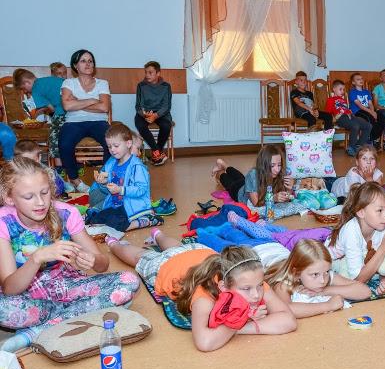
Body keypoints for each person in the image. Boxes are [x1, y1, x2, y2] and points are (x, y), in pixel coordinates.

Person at [0, 157, 139, 351]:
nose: (40, 202)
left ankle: (35, 332)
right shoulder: (4, 221)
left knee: (129, 281)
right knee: (3, 309)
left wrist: (92, 260)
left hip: (66, 286)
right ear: (9, 198)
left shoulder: (66, 213)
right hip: (26, 293)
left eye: (44, 192)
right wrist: (37, 258)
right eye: (28, 197)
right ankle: (85, 310)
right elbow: (9, 288)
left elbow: (103, 264)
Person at [108, 233, 297, 352]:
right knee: (140, 256)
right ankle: (113, 243)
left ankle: (158, 234)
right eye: (246, 289)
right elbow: (205, 343)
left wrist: (242, 326)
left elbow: (288, 320)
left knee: (177, 247)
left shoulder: (249, 278)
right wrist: (239, 320)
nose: (256, 295)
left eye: (259, 286)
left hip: (200, 251)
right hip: (165, 266)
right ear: (223, 287)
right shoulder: (204, 297)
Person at [265, 239, 371, 318]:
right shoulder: (283, 283)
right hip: (265, 247)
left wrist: (324, 291)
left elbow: (365, 291)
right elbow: (286, 310)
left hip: (282, 252)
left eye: (327, 272)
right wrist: (328, 305)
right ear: (296, 273)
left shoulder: (322, 272)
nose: (323, 280)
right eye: (315, 274)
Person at [325, 182, 385, 294]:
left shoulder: (383, 225)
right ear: (361, 212)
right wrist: (384, 247)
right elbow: (358, 280)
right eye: (379, 210)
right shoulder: (351, 231)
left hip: (362, 258)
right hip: (333, 261)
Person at [85, 124, 159, 232]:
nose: (112, 150)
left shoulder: (137, 166)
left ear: (128, 144)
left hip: (132, 206)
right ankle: (123, 221)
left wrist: (121, 189)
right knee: (95, 220)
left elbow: (141, 189)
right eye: (109, 146)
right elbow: (107, 191)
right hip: (115, 205)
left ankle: (146, 220)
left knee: (116, 223)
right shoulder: (112, 165)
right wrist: (104, 183)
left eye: (116, 146)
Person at [60, 49, 111, 192]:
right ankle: (75, 181)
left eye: (90, 61)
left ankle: (104, 178)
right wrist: (92, 100)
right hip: (73, 122)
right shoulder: (68, 83)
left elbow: (104, 107)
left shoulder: (102, 83)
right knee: (64, 144)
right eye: (83, 61)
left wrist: (78, 102)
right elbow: (67, 106)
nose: (88, 64)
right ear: (75, 65)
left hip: (99, 122)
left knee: (112, 141)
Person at [212, 144, 294, 206]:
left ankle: (224, 165)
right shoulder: (253, 175)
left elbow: (286, 199)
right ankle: (219, 171)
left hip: (247, 184)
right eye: (272, 166)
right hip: (238, 192)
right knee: (228, 181)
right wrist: (273, 198)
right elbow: (256, 203)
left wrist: (289, 189)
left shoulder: (281, 173)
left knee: (241, 177)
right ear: (263, 165)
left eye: (279, 165)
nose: (277, 169)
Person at [134, 61, 172, 166]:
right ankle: (157, 152)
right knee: (139, 123)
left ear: (158, 73)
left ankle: (157, 153)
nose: (147, 75)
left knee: (166, 125)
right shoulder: (141, 86)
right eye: (146, 72)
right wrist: (145, 114)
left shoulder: (166, 86)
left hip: (161, 113)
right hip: (146, 113)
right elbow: (138, 105)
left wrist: (155, 115)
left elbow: (166, 106)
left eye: (150, 72)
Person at [32, 64, 68, 169]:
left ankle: (63, 166)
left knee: (58, 138)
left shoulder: (68, 86)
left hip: (67, 117)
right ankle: (59, 167)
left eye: (64, 73)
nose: (62, 76)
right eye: (59, 74)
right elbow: (51, 109)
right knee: (56, 137)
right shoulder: (49, 88)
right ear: (53, 75)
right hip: (58, 117)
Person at [326, 80, 372, 157]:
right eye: (340, 89)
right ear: (334, 89)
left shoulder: (343, 100)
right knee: (355, 126)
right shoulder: (330, 100)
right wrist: (335, 117)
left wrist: (350, 113)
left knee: (368, 126)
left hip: (350, 116)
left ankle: (359, 145)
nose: (342, 91)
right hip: (340, 118)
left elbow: (346, 109)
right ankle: (351, 148)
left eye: (343, 89)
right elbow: (328, 113)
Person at [349, 72, 385, 151]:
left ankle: (375, 139)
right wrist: (371, 113)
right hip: (358, 111)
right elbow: (360, 105)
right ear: (353, 82)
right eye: (358, 79)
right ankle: (370, 140)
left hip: (368, 110)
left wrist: (373, 112)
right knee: (370, 119)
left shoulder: (366, 91)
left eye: (361, 79)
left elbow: (370, 103)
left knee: (382, 118)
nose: (361, 80)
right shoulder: (352, 92)